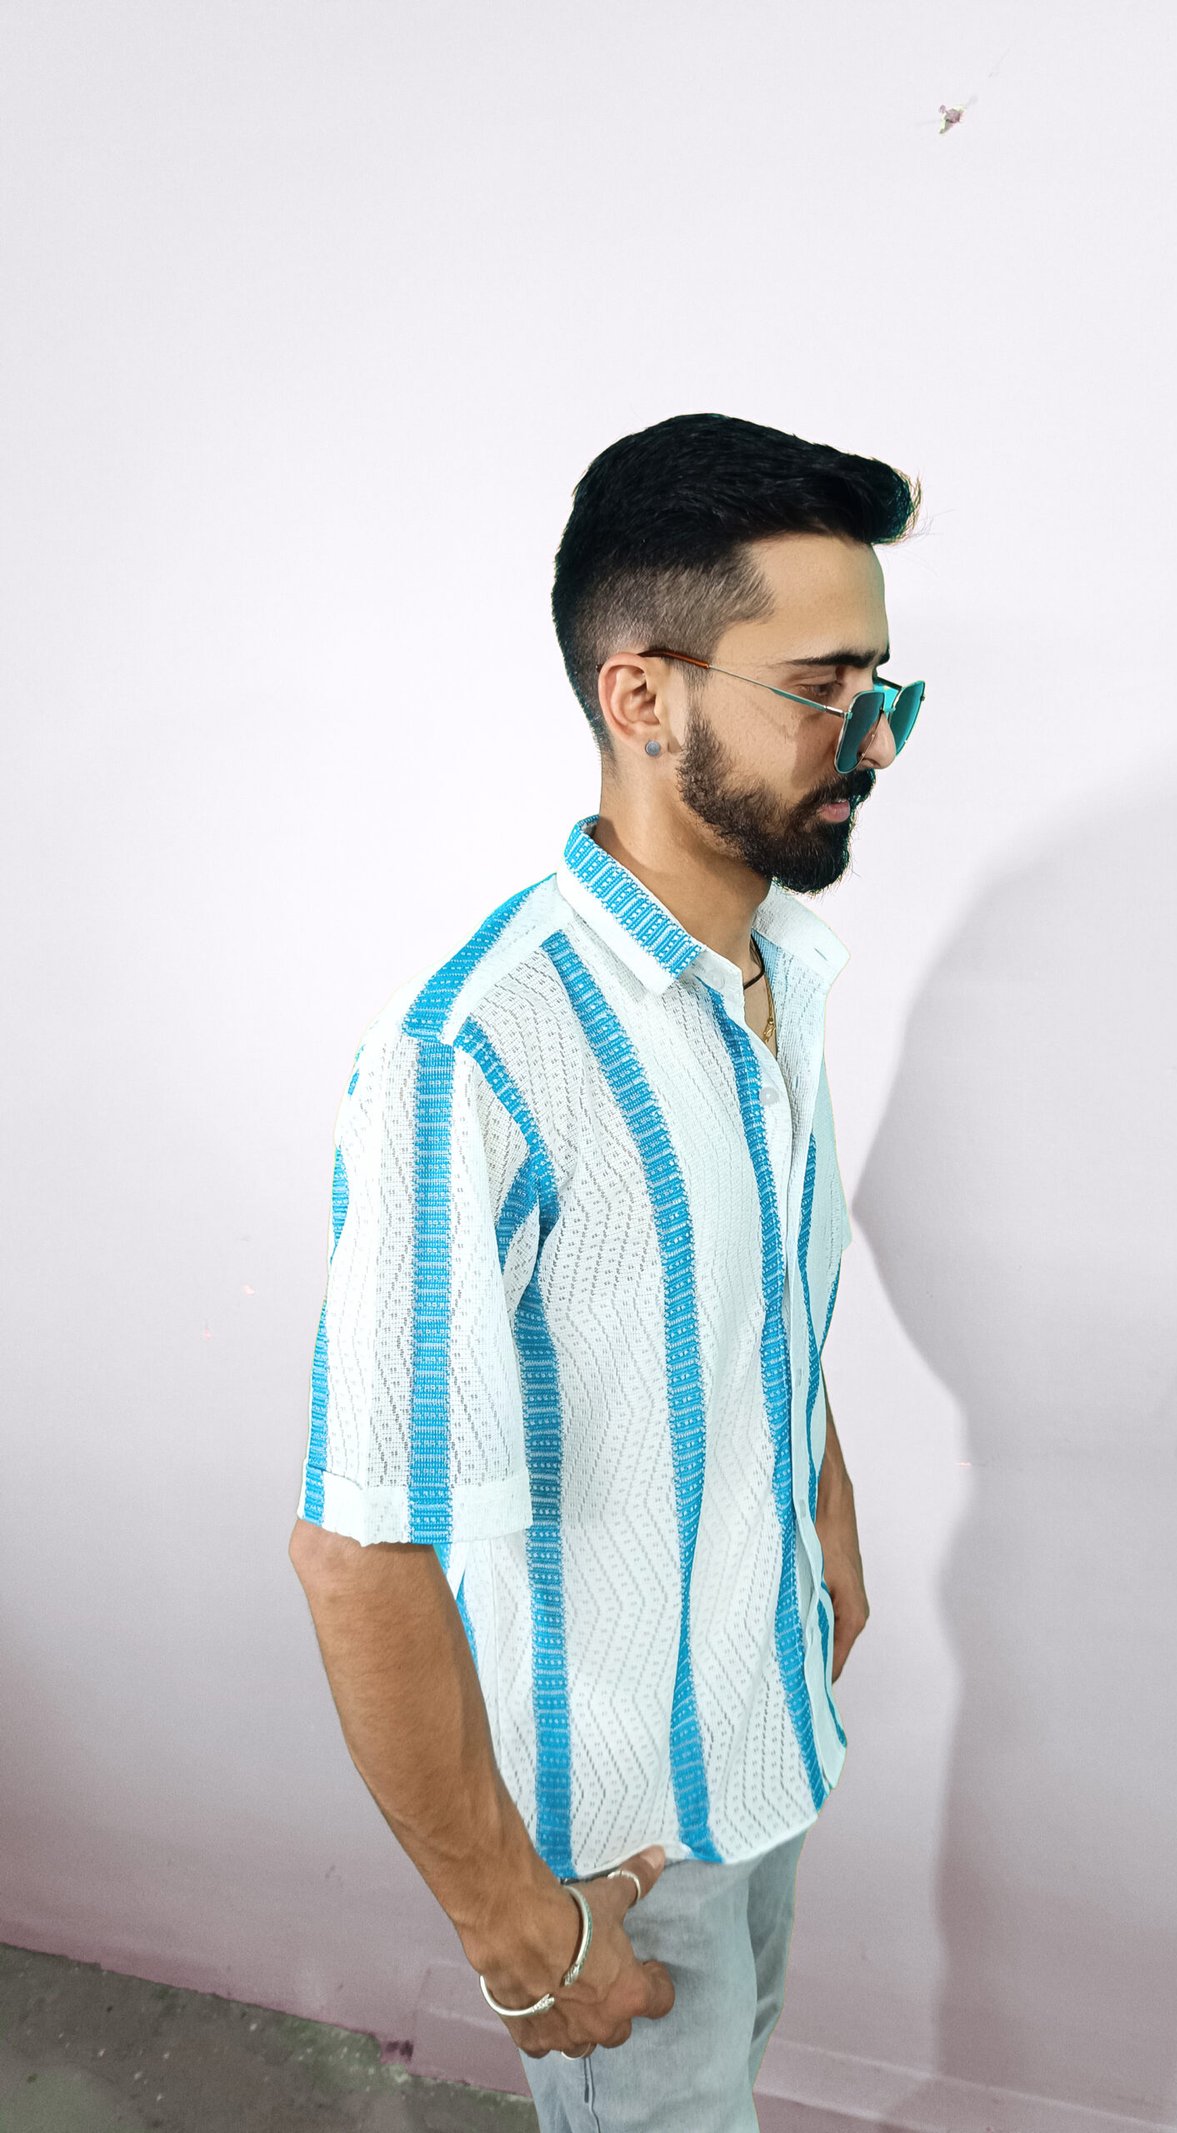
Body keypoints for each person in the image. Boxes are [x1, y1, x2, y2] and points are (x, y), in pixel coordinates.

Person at [287, 411, 925, 2129]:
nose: (870, 736)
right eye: (820, 690)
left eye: (881, 685)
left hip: (770, 1730)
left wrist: (823, 1504)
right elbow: (360, 1547)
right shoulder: (472, 1056)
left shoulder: (778, 968)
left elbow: (748, 1292)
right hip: (617, 1846)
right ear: (642, 696)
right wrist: (519, 1931)